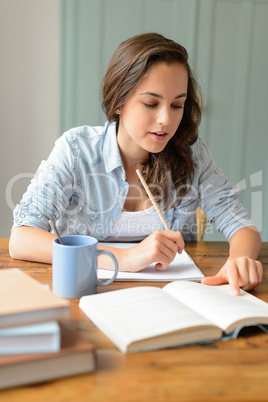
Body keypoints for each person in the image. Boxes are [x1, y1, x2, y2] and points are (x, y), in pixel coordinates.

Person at [9, 32, 262, 295]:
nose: (166, 119)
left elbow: (241, 225)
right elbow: (22, 238)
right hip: (88, 293)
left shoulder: (192, 153)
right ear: (119, 102)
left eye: (177, 105)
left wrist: (239, 260)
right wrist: (124, 258)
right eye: (151, 103)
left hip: (173, 298)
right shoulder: (76, 150)